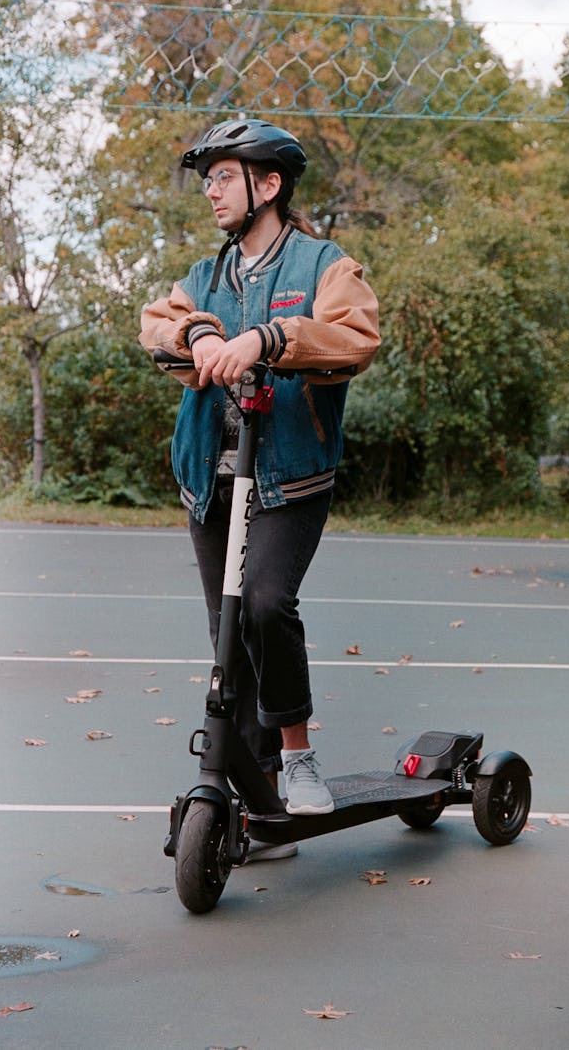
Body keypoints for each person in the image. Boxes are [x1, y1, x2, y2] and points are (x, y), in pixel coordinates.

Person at [139, 119, 380, 848]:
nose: (210, 190)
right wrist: (201, 334)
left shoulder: (324, 265)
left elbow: (355, 335)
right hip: (211, 480)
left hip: (287, 479)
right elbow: (158, 322)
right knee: (228, 632)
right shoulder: (206, 277)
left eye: (223, 176)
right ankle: (252, 782)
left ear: (267, 184)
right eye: (207, 178)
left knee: (266, 607)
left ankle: (297, 754)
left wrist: (272, 338)